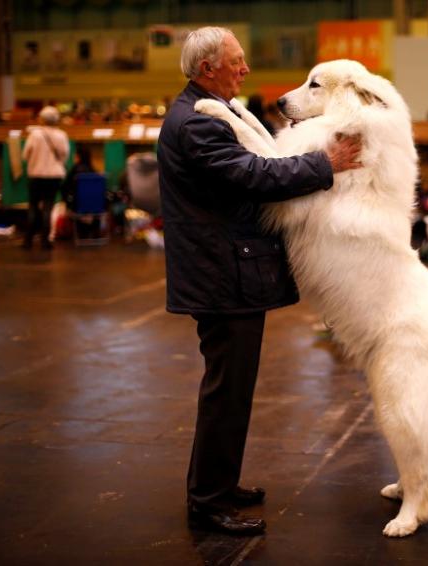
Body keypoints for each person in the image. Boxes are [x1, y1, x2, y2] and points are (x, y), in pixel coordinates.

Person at [157, 26, 362, 536]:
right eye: (237, 61)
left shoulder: (212, 112)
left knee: (234, 391)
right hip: (220, 277)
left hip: (228, 271)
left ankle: (219, 486)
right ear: (208, 69)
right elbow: (254, 175)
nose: (246, 70)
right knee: (226, 393)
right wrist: (325, 164)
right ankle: (208, 502)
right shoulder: (198, 124)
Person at [22, 105, 70, 249]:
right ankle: (45, 241)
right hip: (54, 175)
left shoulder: (35, 134)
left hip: (36, 174)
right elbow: (65, 155)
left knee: (33, 207)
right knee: (48, 207)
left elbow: (25, 155)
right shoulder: (62, 135)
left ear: (42, 119)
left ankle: (28, 240)